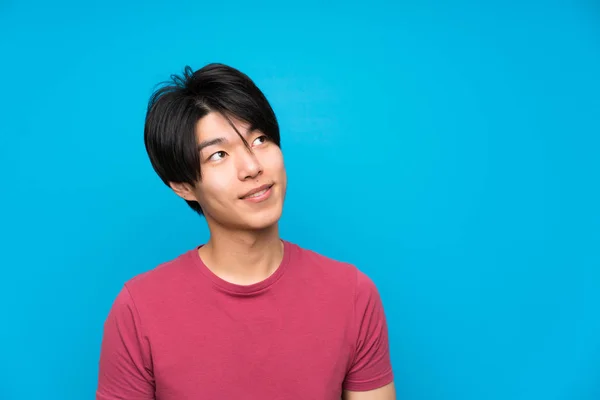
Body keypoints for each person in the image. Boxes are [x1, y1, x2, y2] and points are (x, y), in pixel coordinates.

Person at [96, 63, 395, 400]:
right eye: (219, 154)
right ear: (182, 186)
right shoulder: (139, 310)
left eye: (260, 139)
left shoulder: (353, 294)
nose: (253, 167)